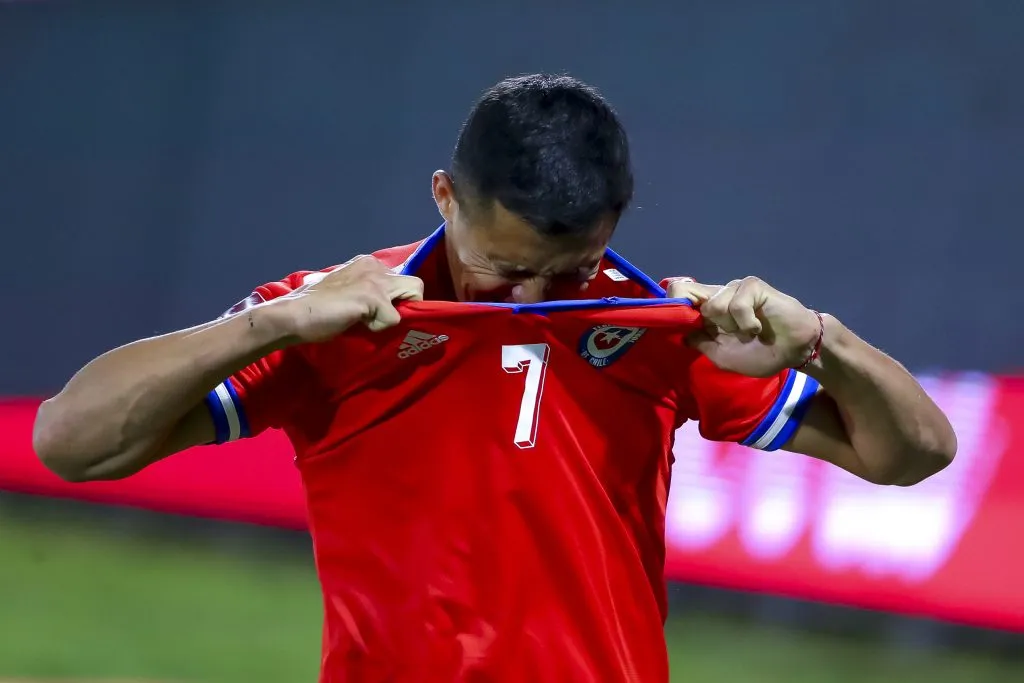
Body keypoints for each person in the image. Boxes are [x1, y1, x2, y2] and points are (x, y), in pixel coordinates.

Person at [32, 74, 957, 682]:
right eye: (501, 266)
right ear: (444, 197)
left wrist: (821, 341)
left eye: (564, 271)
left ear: (611, 228)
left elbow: (914, 453)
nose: (527, 297)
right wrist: (272, 323)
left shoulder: (661, 327)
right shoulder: (338, 318)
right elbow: (73, 442)